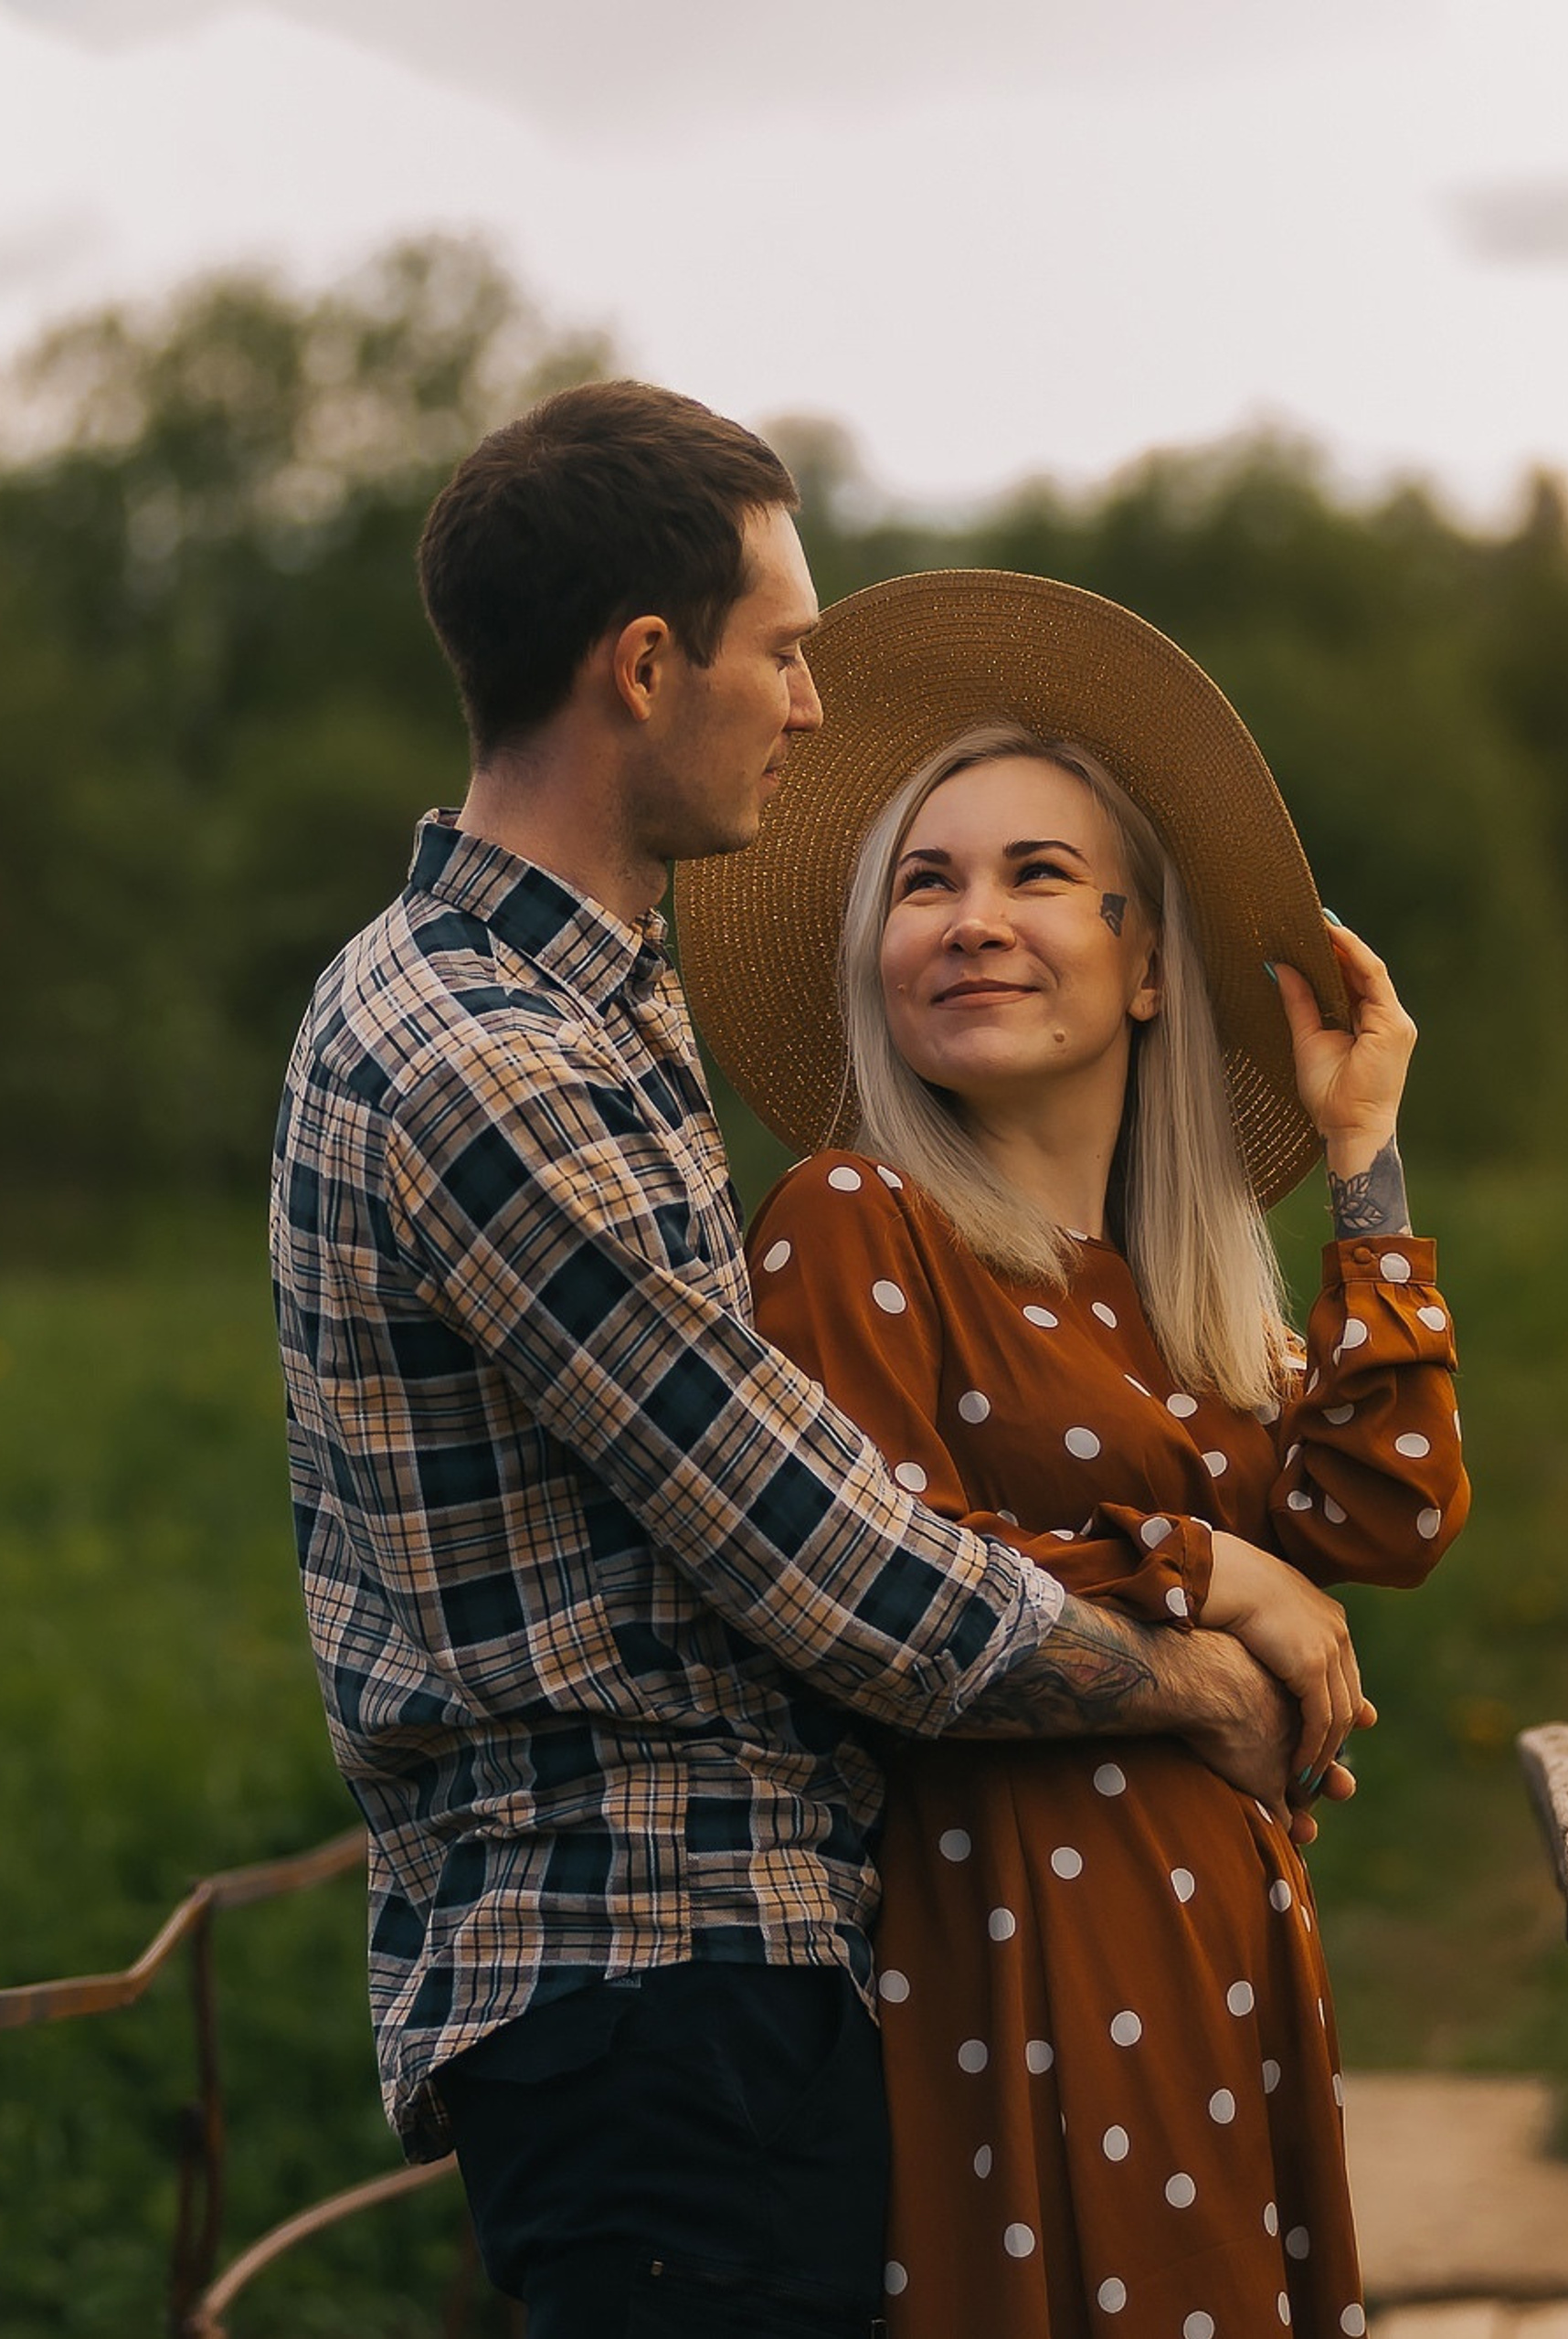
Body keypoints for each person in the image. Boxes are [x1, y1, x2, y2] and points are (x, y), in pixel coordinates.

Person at [268, 385, 1322, 2339]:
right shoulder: (485, 1057)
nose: (813, 706)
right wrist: (1205, 1662)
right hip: (644, 1971)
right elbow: (825, 1560)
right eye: (781, 651)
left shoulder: (578, 1000)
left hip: (702, 1971)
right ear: (642, 667)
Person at [675, 570, 1469, 2338]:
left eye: (1036, 875)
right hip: (1000, 1976)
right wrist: (1213, 1573)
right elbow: (867, 1585)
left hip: (1216, 1967)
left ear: (1149, 964)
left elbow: (1388, 1511)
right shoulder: (853, 1219)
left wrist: (1366, 1162)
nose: (973, 922)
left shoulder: (1178, 1296)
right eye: (924, 885)